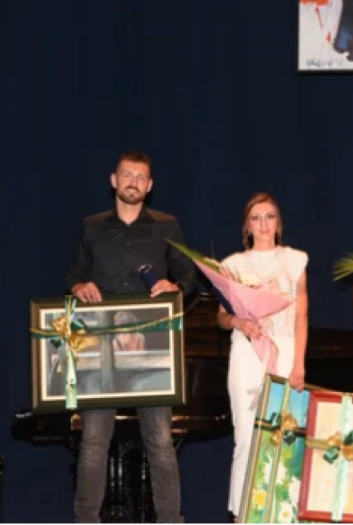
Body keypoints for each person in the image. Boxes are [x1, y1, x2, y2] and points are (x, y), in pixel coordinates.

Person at [65, 149, 196, 523]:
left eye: (140, 177)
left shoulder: (167, 226)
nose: (133, 182)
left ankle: (171, 520)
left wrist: (175, 286)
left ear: (149, 185)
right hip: (100, 346)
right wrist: (79, 287)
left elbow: (189, 278)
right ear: (114, 180)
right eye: (127, 175)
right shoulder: (91, 227)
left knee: (160, 441)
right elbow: (73, 275)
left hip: (150, 345)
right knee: (94, 441)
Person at [216, 192, 308, 520]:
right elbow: (220, 317)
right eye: (256, 218)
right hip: (247, 352)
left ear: (278, 223)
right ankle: (243, 515)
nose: (263, 224)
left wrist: (299, 364)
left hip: (285, 350)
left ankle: (283, 513)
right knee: (246, 436)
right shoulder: (232, 265)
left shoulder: (295, 260)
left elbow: (301, 316)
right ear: (247, 226)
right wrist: (238, 322)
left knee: (286, 436)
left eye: (269, 217)